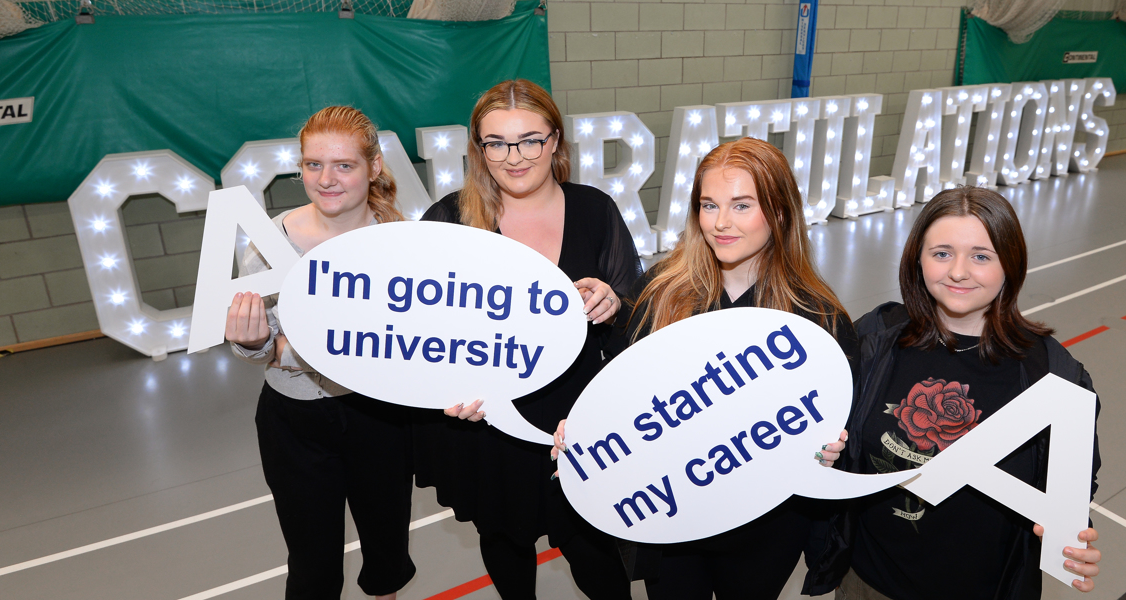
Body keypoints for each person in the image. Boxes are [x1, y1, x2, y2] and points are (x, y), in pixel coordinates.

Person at [551, 136, 854, 600]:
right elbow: (623, 393)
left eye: (742, 205)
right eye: (708, 205)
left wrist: (826, 451)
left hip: (765, 526)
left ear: (779, 210)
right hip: (672, 518)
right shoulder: (659, 292)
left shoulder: (819, 319)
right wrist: (589, 430)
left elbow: (834, 432)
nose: (721, 223)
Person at [804, 186, 1103, 599]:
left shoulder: (1054, 375)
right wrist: (819, 454)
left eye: (981, 256)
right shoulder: (874, 338)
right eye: (942, 253)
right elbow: (829, 441)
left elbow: (1073, 488)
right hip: (866, 584)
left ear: (1010, 265)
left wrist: (1072, 541)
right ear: (917, 259)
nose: (958, 271)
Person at [412, 79, 640, 599]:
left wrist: (613, 302)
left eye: (530, 139)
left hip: (576, 419)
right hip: (490, 425)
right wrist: (448, 391)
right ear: (478, 148)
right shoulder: (449, 220)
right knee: (504, 540)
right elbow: (422, 339)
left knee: (595, 552)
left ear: (555, 140)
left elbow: (636, 311)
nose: (514, 157)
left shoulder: (594, 209)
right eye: (496, 142)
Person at [226, 106, 415, 599]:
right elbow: (256, 349)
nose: (326, 179)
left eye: (344, 165)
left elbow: (415, 344)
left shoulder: (401, 241)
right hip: (294, 422)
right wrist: (253, 342)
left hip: (381, 418)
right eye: (313, 165)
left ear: (373, 167)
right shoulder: (270, 240)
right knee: (311, 566)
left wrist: (290, 346)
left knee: (386, 556)